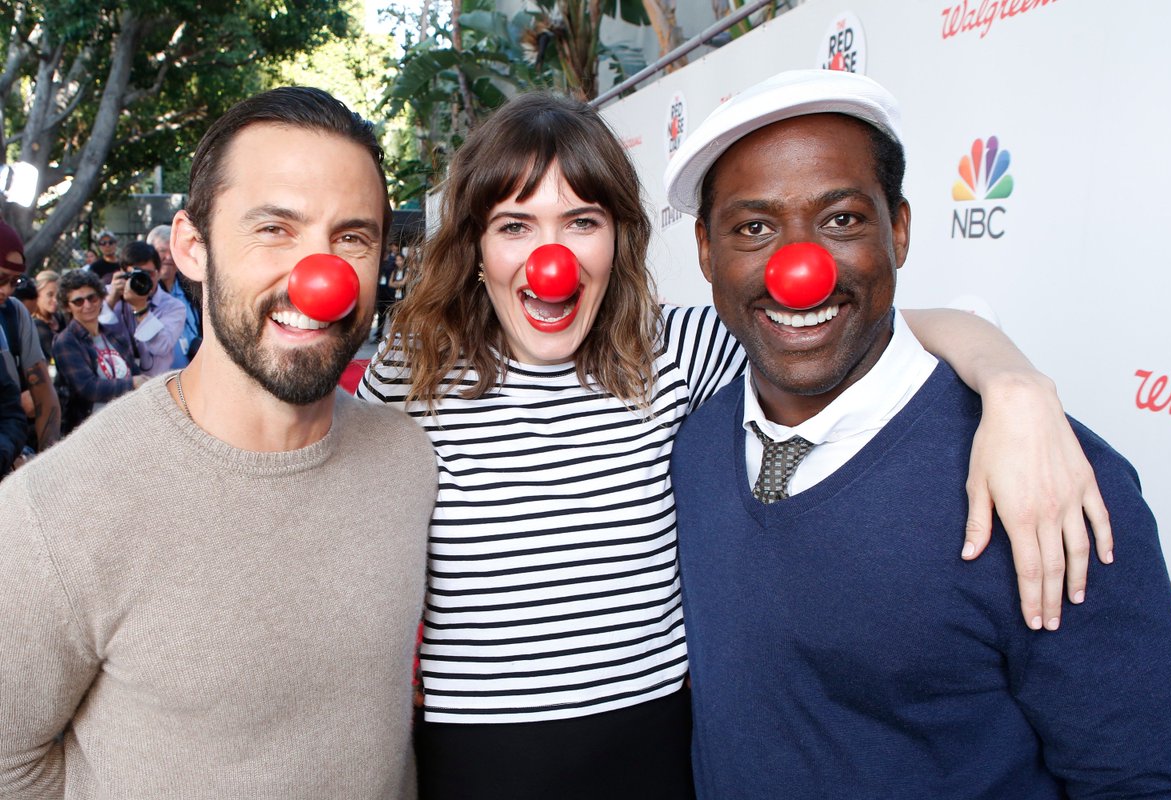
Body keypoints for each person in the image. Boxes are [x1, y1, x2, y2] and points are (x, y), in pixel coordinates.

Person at [357, 91, 1111, 798]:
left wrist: (1013, 384)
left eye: (582, 221)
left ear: (618, 238)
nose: (550, 258)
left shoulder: (674, 348)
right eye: (514, 226)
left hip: (652, 742)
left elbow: (877, 329)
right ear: (477, 247)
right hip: (478, 753)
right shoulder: (412, 368)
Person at [666, 69, 1171, 798]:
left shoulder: (1048, 484)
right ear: (704, 251)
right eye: (754, 229)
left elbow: (1149, 780)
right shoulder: (693, 452)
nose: (801, 271)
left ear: (902, 230)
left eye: (841, 220)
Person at [0, 86, 436, 798]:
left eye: (352, 238)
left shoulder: (407, 462)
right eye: (274, 229)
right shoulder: (53, 515)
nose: (319, 278)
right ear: (191, 247)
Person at [52, 268, 144, 432]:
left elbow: (135, 373)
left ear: (101, 298)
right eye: (78, 301)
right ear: (67, 307)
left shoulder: (115, 336)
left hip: (127, 423)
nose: (87, 305)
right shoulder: (66, 341)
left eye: (92, 298)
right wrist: (132, 383)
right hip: (90, 430)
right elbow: (88, 388)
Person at [0, 219, 61, 452]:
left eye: (14, 281)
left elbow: (44, 396)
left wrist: (49, 461)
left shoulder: (14, 312)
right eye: (0, 279)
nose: (6, 290)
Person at [100, 241, 187, 377]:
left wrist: (140, 308)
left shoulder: (173, 306)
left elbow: (162, 346)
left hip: (154, 385)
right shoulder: (106, 296)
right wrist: (110, 301)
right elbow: (91, 337)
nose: (142, 279)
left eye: (148, 274)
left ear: (158, 274)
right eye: (135, 274)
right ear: (123, 273)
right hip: (115, 385)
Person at [147, 223, 202, 362]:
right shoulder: (143, 293)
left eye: (172, 251)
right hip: (159, 375)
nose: (168, 257)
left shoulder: (193, 286)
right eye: (161, 251)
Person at [29, 270, 63, 361]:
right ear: (37, 294)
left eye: (58, 294)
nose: (55, 300)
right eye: (50, 295)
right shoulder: (36, 325)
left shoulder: (60, 317)